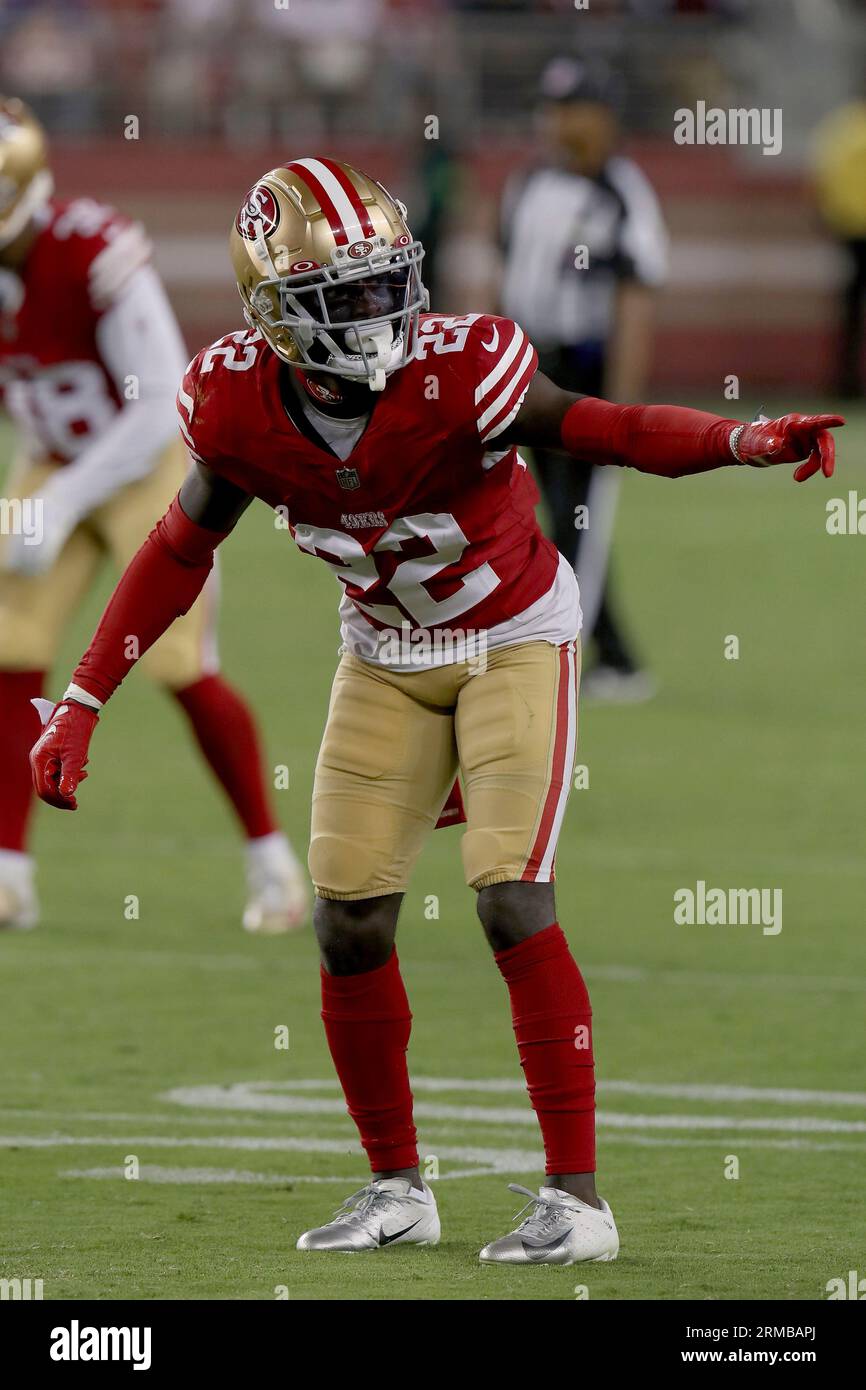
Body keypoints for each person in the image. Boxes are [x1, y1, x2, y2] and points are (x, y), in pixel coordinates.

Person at [29, 155, 842, 1264]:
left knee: (510, 899)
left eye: (386, 282)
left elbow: (601, 428)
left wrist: (738, 438)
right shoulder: (233, 403)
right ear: (277, 317)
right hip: (382, 656)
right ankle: (397, 1186)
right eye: (345, 295)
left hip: (513, 637)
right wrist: (82, 696)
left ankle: (577, 1203)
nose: (380, 311)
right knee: (348, 917)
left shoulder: (464, 368)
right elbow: (176, 550)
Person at [0, 97, 307, 934]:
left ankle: (273, 864)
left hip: (139, 466)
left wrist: (57, 505)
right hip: (54, 457)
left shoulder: (94, 251)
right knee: (10, 650)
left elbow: (157, 404)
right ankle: (8, 874)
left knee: (178, 666)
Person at [501, 57, 669, 701]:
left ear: (602, 117)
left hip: (586, 369)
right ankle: (613, 656)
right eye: (551, 108)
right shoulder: (530, 183)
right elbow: (504, 270)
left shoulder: (622, 190)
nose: (556, 122)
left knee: (581, 522)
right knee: (552, 516)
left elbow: (636, 297)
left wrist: (622, 411)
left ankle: (573, 656)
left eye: (570, 109)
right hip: (532, 366)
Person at [812, 97, 866, 398]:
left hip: (850, 231)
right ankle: (846, 380)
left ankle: (846, 382)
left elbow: (824, 179)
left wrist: (828, 215)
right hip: (853, 230)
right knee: (851, 311)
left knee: (851, 310)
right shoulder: (843, 129)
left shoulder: (841, 129)